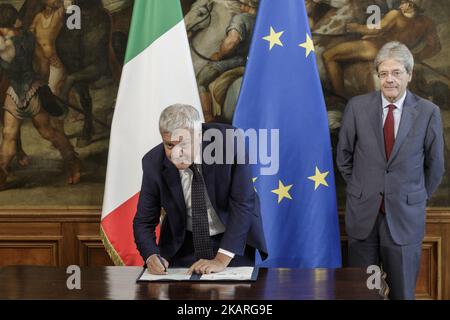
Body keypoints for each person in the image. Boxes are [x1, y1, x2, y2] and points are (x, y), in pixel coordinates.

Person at [336, 41, 445, 299]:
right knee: (362, 294)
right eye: (383, 73)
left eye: (396, 73)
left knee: (402, 294)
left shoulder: (428, 112)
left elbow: (436, 166)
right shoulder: (357, 108)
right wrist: (363, 187)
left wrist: (413, 196)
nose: (389, 80)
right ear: (377, 76)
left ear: (409, 74)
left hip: (405, 219)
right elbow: (344, 157)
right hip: (364, 218)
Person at [133, 104, 267, 275]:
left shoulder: (230, 143)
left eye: (183, 144)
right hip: (182, 245)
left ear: (199, 136)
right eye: (169, 145)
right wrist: (151, 255)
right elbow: (144, 221)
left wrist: (221, 260)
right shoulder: (153, 162)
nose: (176, 154)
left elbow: (243, 204)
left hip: (231, 241)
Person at [0, 4, 80, 189]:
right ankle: (2, 173)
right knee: (8, 134)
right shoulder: (18, 38)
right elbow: (43, 64)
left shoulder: (25, 39)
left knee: (47, 132)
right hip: (13, 92)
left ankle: (73, 163)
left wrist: (41, 85)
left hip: (30, 90)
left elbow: (43, 62)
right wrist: (42, 82)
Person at [323, 0, 441, 99]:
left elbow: (377, 29)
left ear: (411, 5)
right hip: (397, 53)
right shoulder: (427, 23)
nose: (401, 5)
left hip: (378, 48)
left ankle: (340, 98)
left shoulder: (396, 15)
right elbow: (435, 47)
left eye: (404, 2)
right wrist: (416, 57)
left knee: (329, 55)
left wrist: (356, 27)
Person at [197, 0, 257, 122]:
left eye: (241, 3)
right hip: (258, 65)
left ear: (247, 5)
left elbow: (231, 42)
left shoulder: (241, 18)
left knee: (201, 80)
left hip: (239, 61)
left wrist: (219, 54)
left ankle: (208, 119)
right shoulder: (270, 22)